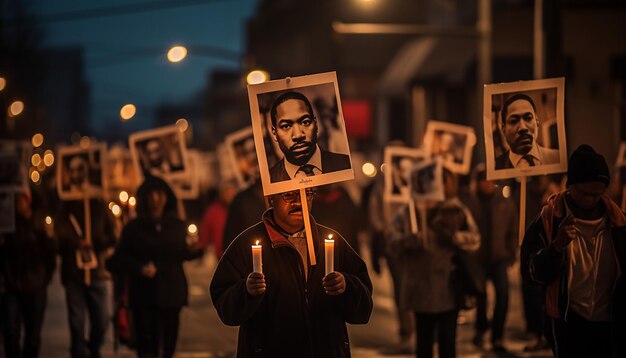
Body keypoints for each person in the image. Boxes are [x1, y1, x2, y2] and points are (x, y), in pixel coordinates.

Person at [210, 188, 373, 357]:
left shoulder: (332, 242)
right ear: (271, 199)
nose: (299, 202)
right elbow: (227, 310)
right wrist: (246, 292)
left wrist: (346, 287)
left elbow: (363, 311)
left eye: (307, 194)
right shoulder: (246, 245)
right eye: (289, 195)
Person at [521, 145, 626, 357]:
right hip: (570, 325)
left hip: (610, 326)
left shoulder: (618, 223)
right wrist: (556, 247)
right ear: (570, 187)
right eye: (585, 193)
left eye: (597, 193)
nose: (591, 199)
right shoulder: (549, 219)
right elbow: (531, 274)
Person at [106, 175, 204, 358]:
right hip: (144, 297)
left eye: (159, 195)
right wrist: (140, 268)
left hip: (171, 296)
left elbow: (182, 254)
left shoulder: (176, 226)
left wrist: (195, 249)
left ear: (167, 197)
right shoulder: (133, 228)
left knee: (168, 347)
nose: (155, 201)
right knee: (146, 349)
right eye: (151, 195)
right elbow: (115, 262)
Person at [390, 169, 480, 358]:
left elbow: (475, 239)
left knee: (447, 343)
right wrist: (408, 240)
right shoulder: (409, 211)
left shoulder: (456, 210)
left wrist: (454, 237)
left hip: (448, 287)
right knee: (423, 344)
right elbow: (391, 243)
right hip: (419, 289)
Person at [462, 164, 518, 352]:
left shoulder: (504, 203)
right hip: (476, 258)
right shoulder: (469, 203)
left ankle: (497, 336)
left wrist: (511, 253)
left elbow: (512, 229)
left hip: (498, 257)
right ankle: (480, 329)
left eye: (489, 180)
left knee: (503, 295)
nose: (486, 184)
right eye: (482, 180)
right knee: (481, 297)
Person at [56, 196, 116, 358]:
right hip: (74, 275)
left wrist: (95, 243)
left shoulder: (99, 206)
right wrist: (76, 244)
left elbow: (112, 236)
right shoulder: (66, 208)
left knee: (101, 321)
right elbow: (58, 240)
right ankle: (78, 352)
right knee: (77, 323)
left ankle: (93, 347)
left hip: (96, 273)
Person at [0, 190, 56, 358]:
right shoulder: (7, 227)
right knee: (11, 334)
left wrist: (45, 279)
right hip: (12, 286)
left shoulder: (38, 224)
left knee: (32, 336)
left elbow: (50, 254)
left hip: (35, 286)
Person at [268, 91, 351, 182]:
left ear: (316, 124)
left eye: (305, 122)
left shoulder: (347, 165)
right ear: (274, 133)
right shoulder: (268, 181)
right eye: (286, 126)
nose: (298, 135)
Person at [495, 94, 559, 169]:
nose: (523, 127)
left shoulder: (558, 158)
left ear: (537, 121)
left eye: (528, 118)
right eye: (513, 121)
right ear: (503, 128)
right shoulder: (495, 166)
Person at [199, 180, 238, 259]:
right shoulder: (213, 211)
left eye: (231, 193)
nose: (229, 196)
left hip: (237, 252)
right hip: (220, 255)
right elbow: (205, 232)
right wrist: (202, 247)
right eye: (226, 192)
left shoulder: (239, 209)